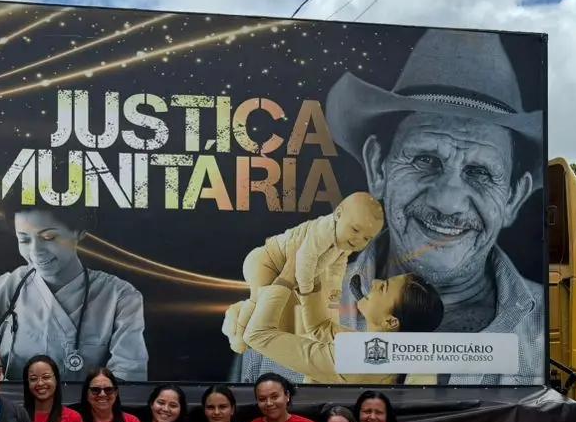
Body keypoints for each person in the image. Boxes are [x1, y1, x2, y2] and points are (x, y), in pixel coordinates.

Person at [327, 28, 545, 385]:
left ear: (513, 198)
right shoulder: (295, 313)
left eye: (478, 172)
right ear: (377, 167)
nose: (448, 203)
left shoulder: (543, 329)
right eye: (426, 160)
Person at [0, 202, 148, 382]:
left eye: (48, 237)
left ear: (79, 232)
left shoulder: (120, 297)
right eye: (24, 240)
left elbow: (128, 378)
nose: (36, 251)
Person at [224, 191, 385, 351]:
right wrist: (307, 290)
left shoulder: (343, 244)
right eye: (355, 230)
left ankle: (236, 314)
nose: (358, 240)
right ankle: (238, 337)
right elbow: (304, 260)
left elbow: (338, 265)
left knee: (277, 315)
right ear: (338, 215)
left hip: (288, 273)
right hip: (267, 261)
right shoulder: (322, 231)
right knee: (259, 302)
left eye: (366, 238)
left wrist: (335, 287)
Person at [232, 272, 446, 385]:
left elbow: (257, 335)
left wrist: (285, 278)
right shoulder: (377, 354)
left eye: (384, 288)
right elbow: (320, 328)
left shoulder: (359, 358)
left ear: (391, 322)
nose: (375, 283)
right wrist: (310, 281)